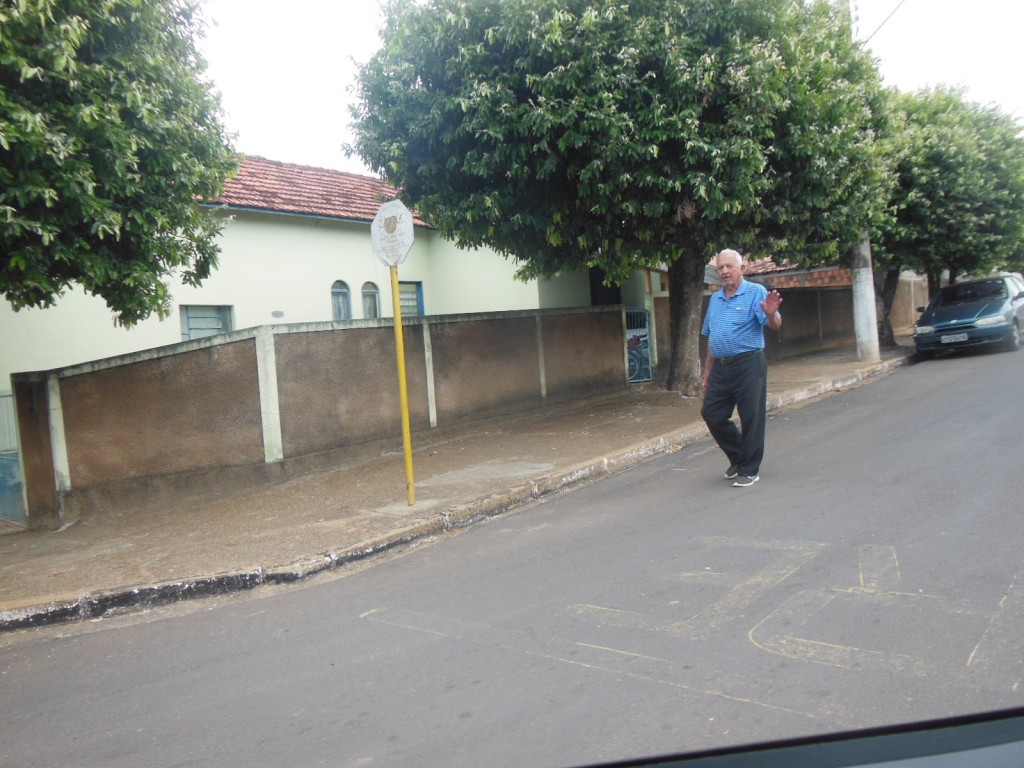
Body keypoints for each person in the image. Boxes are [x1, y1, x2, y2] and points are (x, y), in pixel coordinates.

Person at [700, 249, 783, 488]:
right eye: (720, 268)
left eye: (729, 266)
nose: (725, 271)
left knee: (751, 417)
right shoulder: (715, 299)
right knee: (712, 414)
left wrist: (771, 314)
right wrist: (707, 371)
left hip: (748, 363)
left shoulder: (755, 292)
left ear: (742, 269)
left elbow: (775, 324)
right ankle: (739, 456)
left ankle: (749, 469)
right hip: (721, 367)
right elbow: (712, 338)